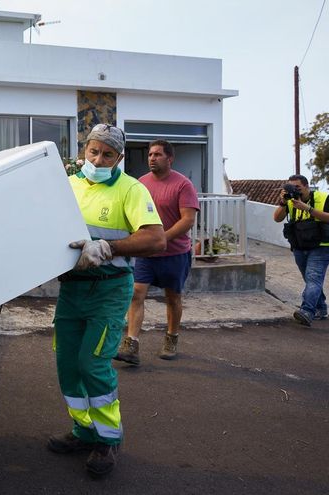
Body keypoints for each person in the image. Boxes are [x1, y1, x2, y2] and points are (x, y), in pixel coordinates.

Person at [47, 124, 166, 477]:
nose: (98, 160)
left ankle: (108, 439)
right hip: (72, 289)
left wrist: (108, 248)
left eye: (107, 155)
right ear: (84, 150)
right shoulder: (68, 185)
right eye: (94, 152)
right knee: (68, 364)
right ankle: (83, 430)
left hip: (109, 289)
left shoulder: (131, 189)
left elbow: (156, 239)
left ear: (120, 157)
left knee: (93, 364)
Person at [116, 140, 199, 365]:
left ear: (170, 159)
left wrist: (161, 239)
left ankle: (171, 338)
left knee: (172, 298)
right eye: (150, 154)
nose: (152, 158)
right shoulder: (140, 184)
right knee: (136, 294)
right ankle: (131, 344)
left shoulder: (183, 185)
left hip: (175, 254)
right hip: (146, 255)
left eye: (157, 155)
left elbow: (188, 220)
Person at [272, 174, 329, 326]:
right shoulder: (290, 201)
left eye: (298, 187)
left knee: (313, 277)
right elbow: (277, 218)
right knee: (311, 279)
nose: (295, 191)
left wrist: (307, 208)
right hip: (301, 245)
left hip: (322, 245)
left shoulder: (323, 198)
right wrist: (283, 202)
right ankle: (321, 308)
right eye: (291, 188)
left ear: (307, 186)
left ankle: (307, 311)